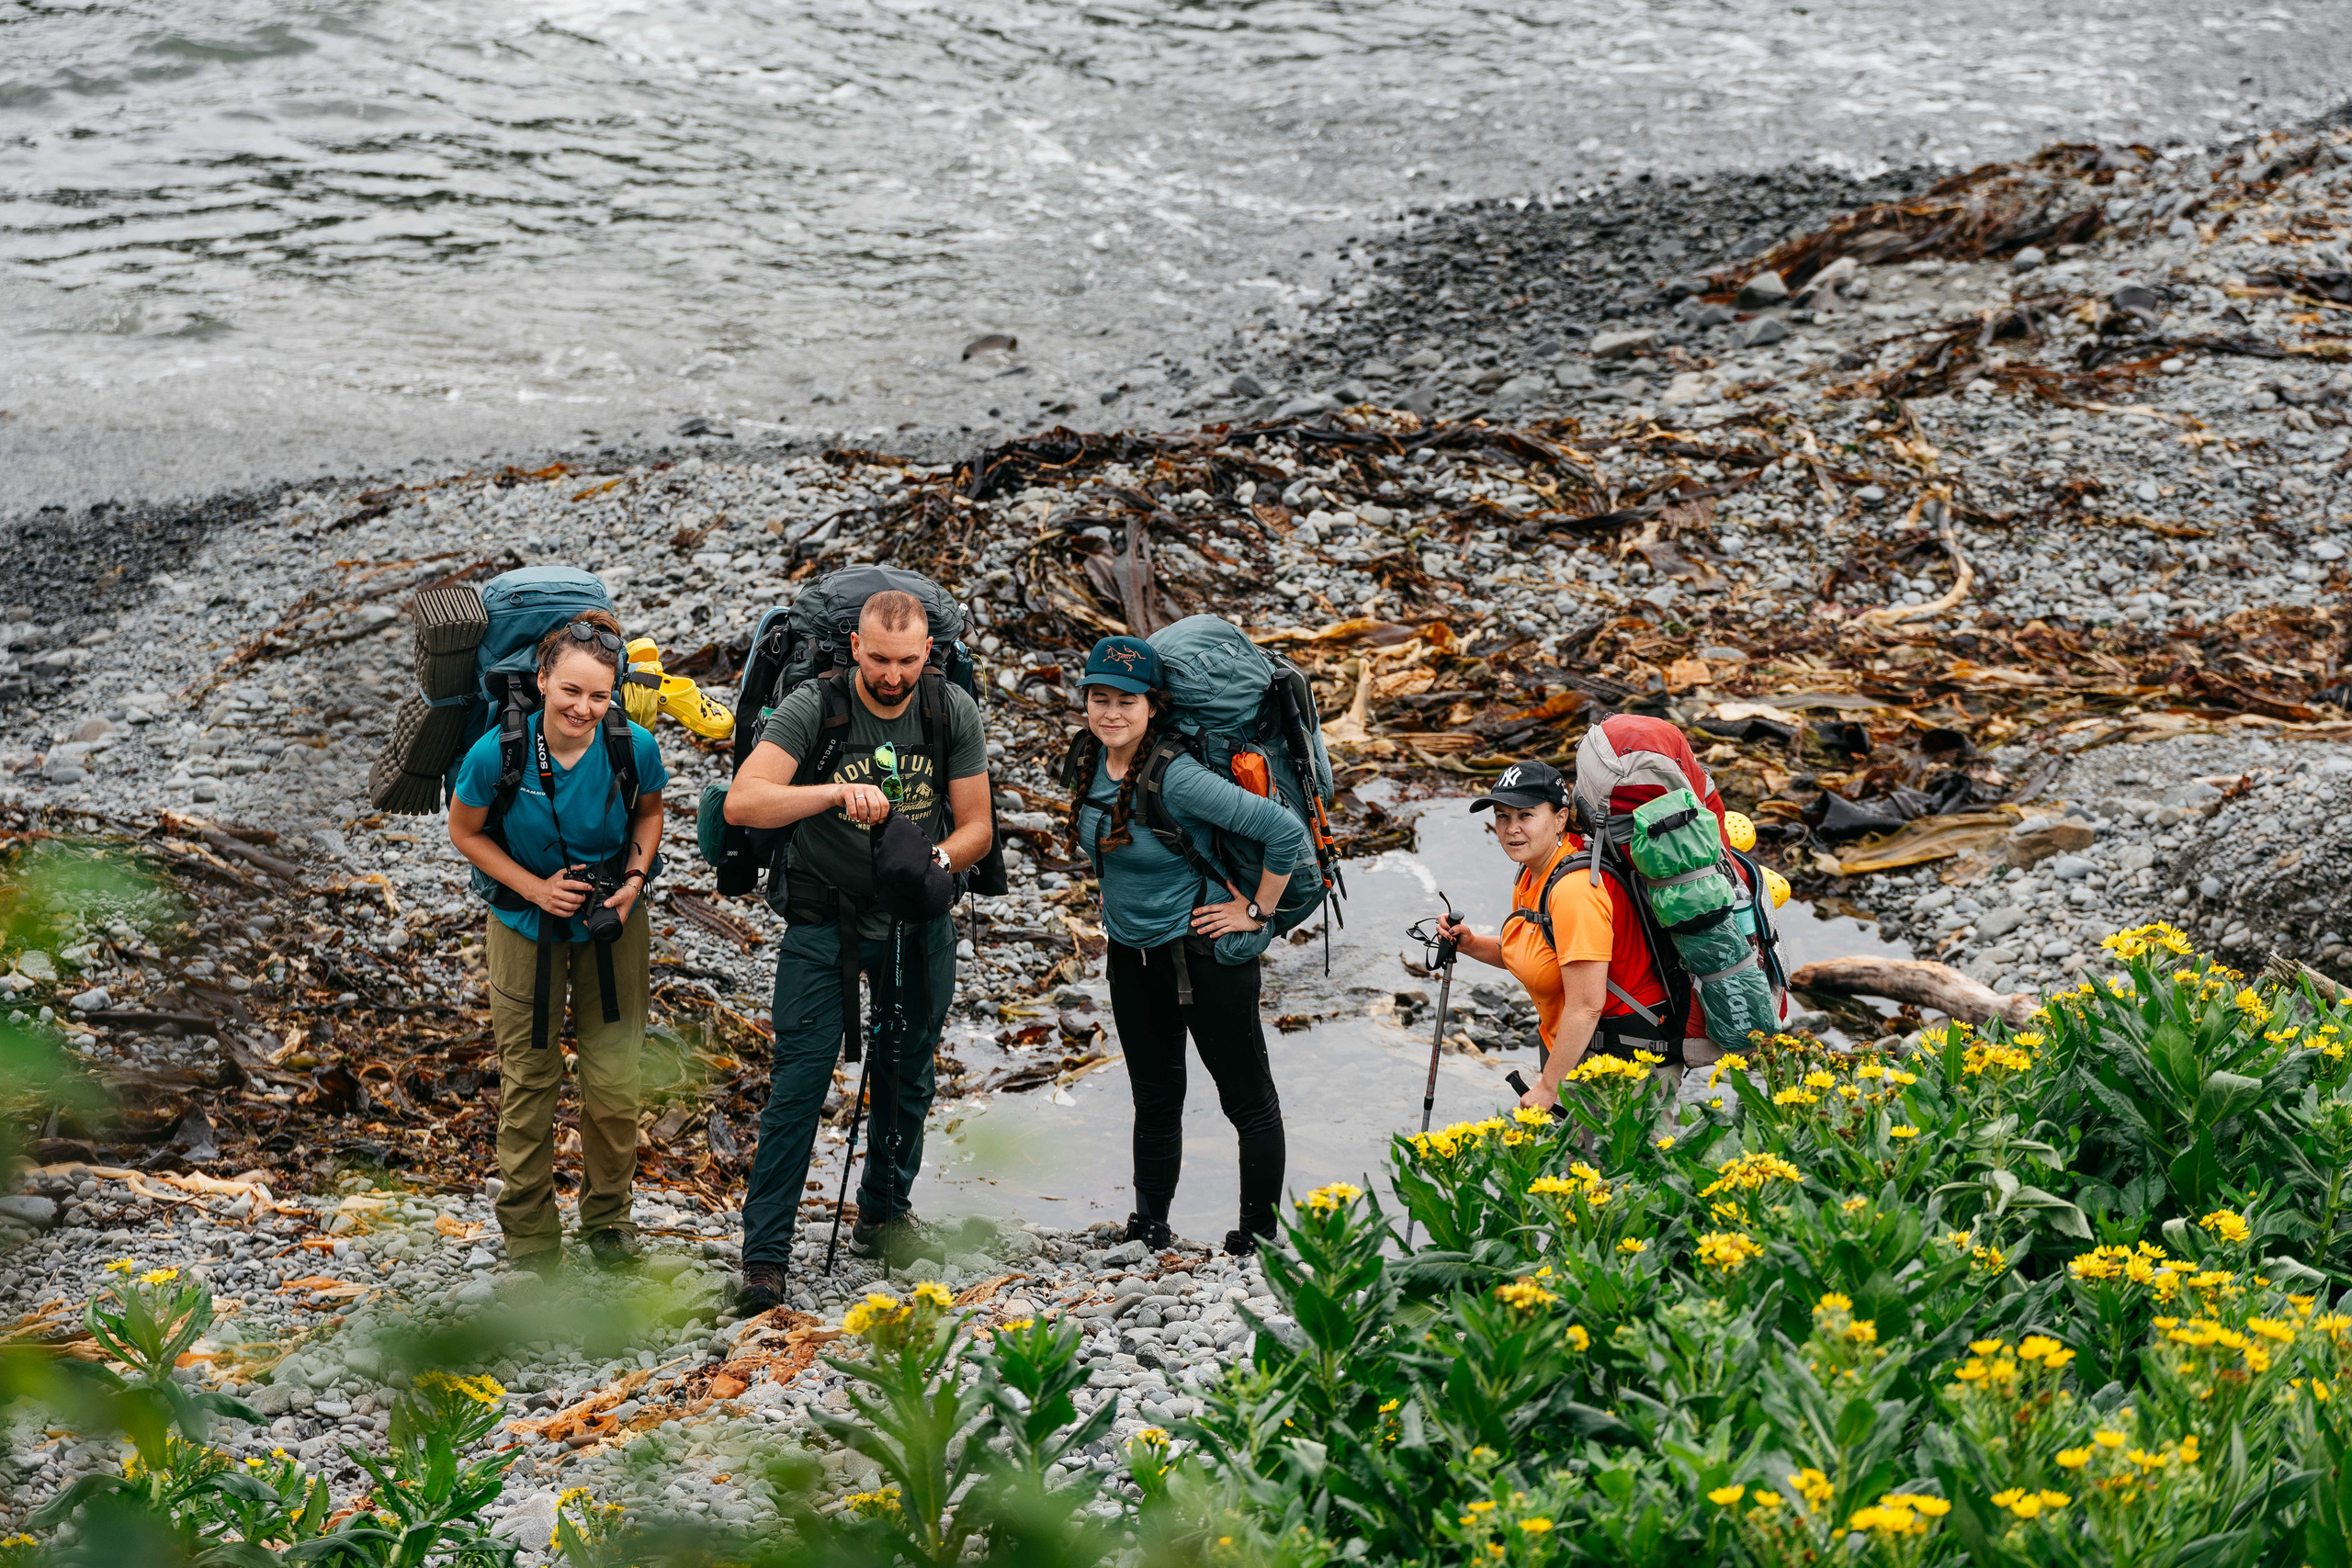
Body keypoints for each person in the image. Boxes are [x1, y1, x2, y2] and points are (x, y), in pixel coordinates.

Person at [724, 590, 992, 1308]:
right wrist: (832, 796)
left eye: (908, 661)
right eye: (878, 659)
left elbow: (978, 829)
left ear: (929, 652)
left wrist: (928, 859)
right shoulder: (816, 704)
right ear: (854, 648)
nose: (893, 675)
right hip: (823, 921)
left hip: (915, 919)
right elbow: (743, 802)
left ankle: (885, 1215)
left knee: (908, 1075)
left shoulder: (948, 708)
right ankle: (765, 1257)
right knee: (799, 1083)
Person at [1064, 635, 1308, 1256]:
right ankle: (1150, 1227)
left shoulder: (1177, 776)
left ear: (1154, 706)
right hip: (1131, 956)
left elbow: (1282, 833)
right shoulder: (1088, 758)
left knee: (1247, 1102)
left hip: (1204, 955)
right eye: (1099, 698)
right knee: (1154, 1097)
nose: (1110, 711)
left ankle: (1257, 1239)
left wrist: (1257, 910)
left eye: (1126, 700)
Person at [447, 609, 667, 1275]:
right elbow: (466, 832)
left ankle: (607, 1220)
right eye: (571, 691)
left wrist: (633, 877)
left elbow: (650, 812)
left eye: (599, 695)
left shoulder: (633, 745)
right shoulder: (500, 752)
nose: (584, 707)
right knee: (531, 1079)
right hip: (524, 923)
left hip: (612, 921)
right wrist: (536, 888)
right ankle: (532, 1241)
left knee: (615, 1076)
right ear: (542, 680)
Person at [1432, 758, 1679, 1115]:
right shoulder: (1533, 872)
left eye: (1526, 815)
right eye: (1502, 816)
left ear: (1560, 818)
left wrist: (1548, 1087)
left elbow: (1586, 1005)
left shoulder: (1574, 891)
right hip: (1580, 1052)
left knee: (1618, 1170)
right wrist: (1471, 944)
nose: (1511, 828)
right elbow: (1540, 952)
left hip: (1625, 1062)